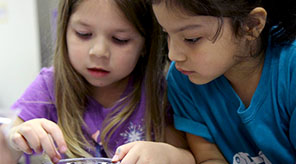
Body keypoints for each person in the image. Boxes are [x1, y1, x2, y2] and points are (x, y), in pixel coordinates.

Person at [3, 0, 180, 163]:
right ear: (64, 30)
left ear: (146, 45)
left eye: (120, 39)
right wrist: (15, 138)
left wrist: (167, 155)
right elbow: (5, 149)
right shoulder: (50, 85)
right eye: (84, 34)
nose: (99, 52)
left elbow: (189, 156)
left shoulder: (160, 92)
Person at [145, 0, 296, 163]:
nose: (173, 55)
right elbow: (209, 158)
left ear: (251, 25)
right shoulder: (183, 79)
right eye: (166, 33)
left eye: (191, 39)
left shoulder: (290, 70)